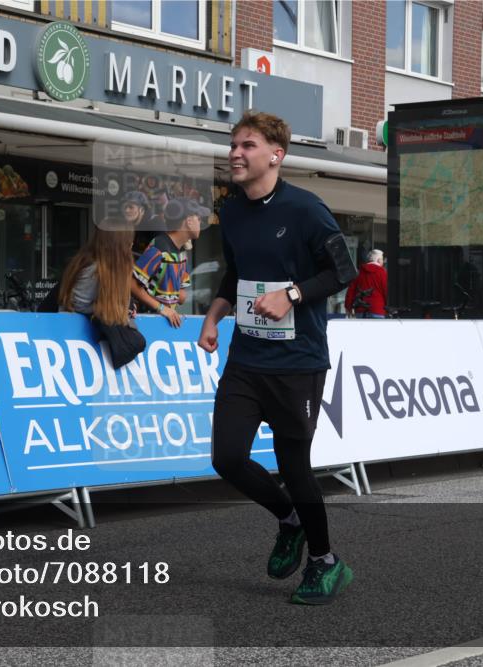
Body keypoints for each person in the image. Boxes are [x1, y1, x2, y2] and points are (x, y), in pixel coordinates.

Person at [197, 110, 357, 605]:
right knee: (227, 456)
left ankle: (326, 561)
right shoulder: (233, 210)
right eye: (233, 146)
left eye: (247, 146)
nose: (236, 153)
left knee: (294, 466)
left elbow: (343, 271)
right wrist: (214, 316)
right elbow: (235, 272)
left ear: (275, 154)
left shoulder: (306, 209)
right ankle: (289, 520)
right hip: (247, 358)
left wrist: (290, 294)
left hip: (298, 361)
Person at [131, 197, 207, 328]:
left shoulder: (181, 250)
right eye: (198, 219)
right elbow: (132, 284)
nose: (200, 223)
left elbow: (182, 296)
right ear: (188, 221)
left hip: (164, 323)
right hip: (146, 321)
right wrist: (162, 307)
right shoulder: (158, 247)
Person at [57, 221, 136, 327]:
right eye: (128, 241)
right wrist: (110, 308)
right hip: (72, 330)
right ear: (118, 245)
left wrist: (128, 307)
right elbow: (75, 305)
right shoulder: (92, 268)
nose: (131, 245)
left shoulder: (117, 268)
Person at [345, 249, 388, 318]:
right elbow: (386, 291)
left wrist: (348, 307)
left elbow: (351, 291)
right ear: (379, 260)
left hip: (360, 309)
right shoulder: (382, 273)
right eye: (382, 259)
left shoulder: (359, 272)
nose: (383, 262)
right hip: (377, 309)